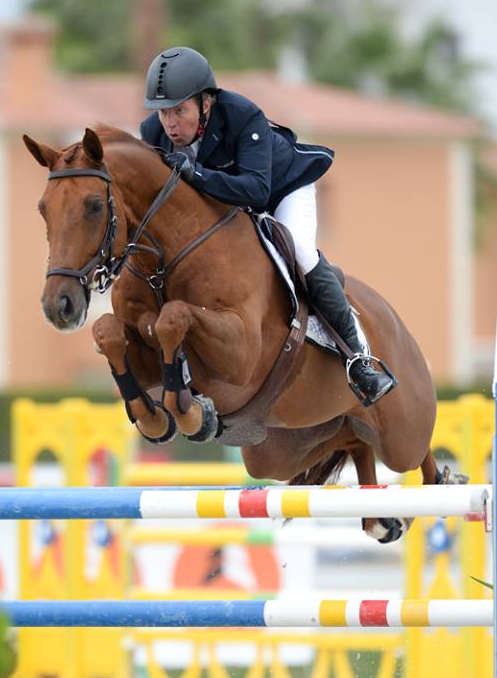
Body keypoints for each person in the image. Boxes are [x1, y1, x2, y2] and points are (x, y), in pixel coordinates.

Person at [140, 46, 395, 407]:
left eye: (179, 110)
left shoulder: (242, 115)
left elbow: (257, 189)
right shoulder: (152, 133)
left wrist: (195, 172)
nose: (170, 123)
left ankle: (359, 359)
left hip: (282, 191)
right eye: (164, 112)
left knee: (302, 253)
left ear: (206, 103)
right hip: (228, 209)